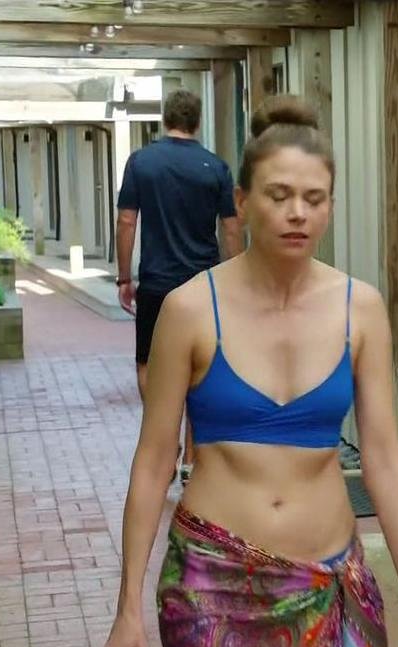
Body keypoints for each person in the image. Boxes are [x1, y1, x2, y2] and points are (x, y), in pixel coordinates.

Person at [100, 95, 398, 647]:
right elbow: (153, 464)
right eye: (278, 195)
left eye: (314, 199)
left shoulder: (361, 309)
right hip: (214, 592)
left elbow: (384, 456)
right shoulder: (189, 309)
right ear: (240, 202)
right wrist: (126, 608)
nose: (297, 213)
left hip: (334, 583)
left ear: (331, 206)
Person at [115, 88, 243, 483]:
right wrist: (236, 279)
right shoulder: (216, 168)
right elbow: (232, 228)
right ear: (197, 122)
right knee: (200, 369)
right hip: (203, 284)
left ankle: (164, 438)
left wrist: (125, 276)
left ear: (164, 118)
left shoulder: (141, 162)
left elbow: (126, 221)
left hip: (157, 283)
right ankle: (190, 458)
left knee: (148, 364)